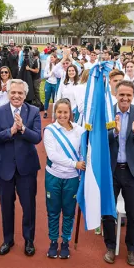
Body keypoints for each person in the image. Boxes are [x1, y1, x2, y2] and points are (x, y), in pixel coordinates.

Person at [0, 79, 42, 256]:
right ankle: (8, 239)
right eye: (13, 92)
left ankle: (29, 240)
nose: (16, 96)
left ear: (25, 95)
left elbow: (37, 137)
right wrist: (11, 131)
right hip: (4, 166)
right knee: (6, 205)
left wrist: (22, 129)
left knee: (28, 205)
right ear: (8, 93)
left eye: (20, 93)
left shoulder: (34, 111)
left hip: (27, 167)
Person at [102, 81, 134, 265]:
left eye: (128, 95)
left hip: (132, 171)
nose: (125, 98)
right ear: (115, 94)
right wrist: (114, 132)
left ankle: (131, 249)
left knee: (133, 214)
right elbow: (100, 140)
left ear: (133, 95)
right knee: (108, 213)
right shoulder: (107, 111)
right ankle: (111, 248)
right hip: (111, 170)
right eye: (121, 95)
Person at [42, 98, 85, 259]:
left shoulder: (79, 131)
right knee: (53, 211)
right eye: (59, 112)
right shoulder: (50, 130)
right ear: (55, 113)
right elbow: (52, 155)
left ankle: (65, 241)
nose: (62, 115)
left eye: (65, 112)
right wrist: (75, 164)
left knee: (68, 211)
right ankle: (53, 241)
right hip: (54, 176)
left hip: (72, 178)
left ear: (70, 113)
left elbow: (85, 150)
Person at [43, 53, 59, 119]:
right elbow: (44, 76)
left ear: (55, 58)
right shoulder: (48, 66)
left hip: (55, 84)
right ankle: (45, 112)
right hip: (48, 83)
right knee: (47, 98)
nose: (51, 59)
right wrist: (50, 74)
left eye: (52, 57)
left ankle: (55, 112)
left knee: (54, 99)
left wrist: (54, 73)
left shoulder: (58, 66)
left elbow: (58, 75)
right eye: (50, 58)